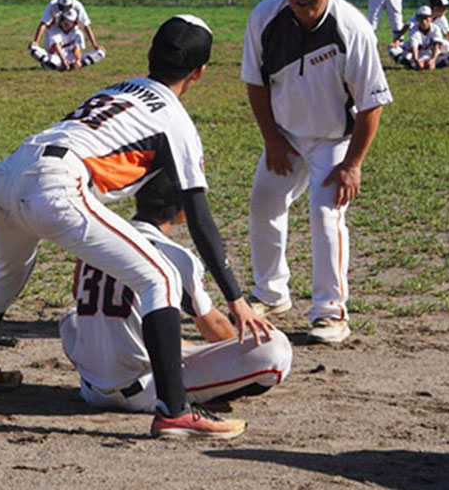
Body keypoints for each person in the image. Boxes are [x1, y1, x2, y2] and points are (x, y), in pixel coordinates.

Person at [0, 14, 273, 440]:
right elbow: (198, 217)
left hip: (9, 170)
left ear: (151, 55)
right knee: (160, 277)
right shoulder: (175, 119)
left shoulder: (119, 88)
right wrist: (236, 298)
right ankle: (175, 411)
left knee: (7, 271)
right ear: (199, 72)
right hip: (57, 183)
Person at [242, 0, 393, 344]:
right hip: (286, 136)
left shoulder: (352, 28)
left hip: (334, 138)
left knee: (326, 216)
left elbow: (372, 102)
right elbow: (256, 84)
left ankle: (330, 313)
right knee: (264, 204)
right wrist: (272, 140)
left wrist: (352, 164)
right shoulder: (265, 17)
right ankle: (271, 293)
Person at [60, 171, 293, 412]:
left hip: (92, 389)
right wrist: (236, 351)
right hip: (148, 388)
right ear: (183, 210)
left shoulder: (103, 238)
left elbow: (79, 293)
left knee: (72, 319)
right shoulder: (176, 255)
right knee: (275, 350)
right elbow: (213, 326)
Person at [390, 0, 449, 68]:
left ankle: (432, 63)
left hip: (431, 48)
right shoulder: (418, 22)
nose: (446, 10)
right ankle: (416, 62)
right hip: (419, 47)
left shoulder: (439, 22)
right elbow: (408, 26)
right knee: (392, 48)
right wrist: (397, 40)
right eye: (444, 8)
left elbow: (448, 32)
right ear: (436, 8)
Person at [28, 9, 106, 72]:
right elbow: (56, 46)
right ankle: (54, 65)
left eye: (69, 22)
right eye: (64, 21)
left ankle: (78, 65)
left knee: (101, 52)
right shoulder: (54, 30)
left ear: (74, 23)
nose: (65, 23)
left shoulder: (77, 33)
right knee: (32, 49)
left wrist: (78, 60)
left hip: (71, 58)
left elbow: (77, 48)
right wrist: (63, 61)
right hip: (56, 57)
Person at [31, 0, 103, 55]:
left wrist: (94, 45)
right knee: (50, 51)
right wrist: (36, 42)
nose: (64, 10)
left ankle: (76, 59)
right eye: (62, 8)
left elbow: (86, 25)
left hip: (72, 30)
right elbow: (44, 23)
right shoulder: (52, 5)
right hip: (55, 30)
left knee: (76, 44)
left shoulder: (78, 6)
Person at [388, 6, 448, 70]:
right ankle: (415, 63)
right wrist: (416, 60)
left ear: (431, 18)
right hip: (417, 54)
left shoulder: (436, 29)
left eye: (426, 18)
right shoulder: (414, 30)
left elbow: (436, 46)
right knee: (392, 48)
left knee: (447, 46)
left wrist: (433, 60)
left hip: (431, 54)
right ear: (417, 19)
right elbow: (414, 48)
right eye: (421, 18)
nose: (424, 21)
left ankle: (430, 63)